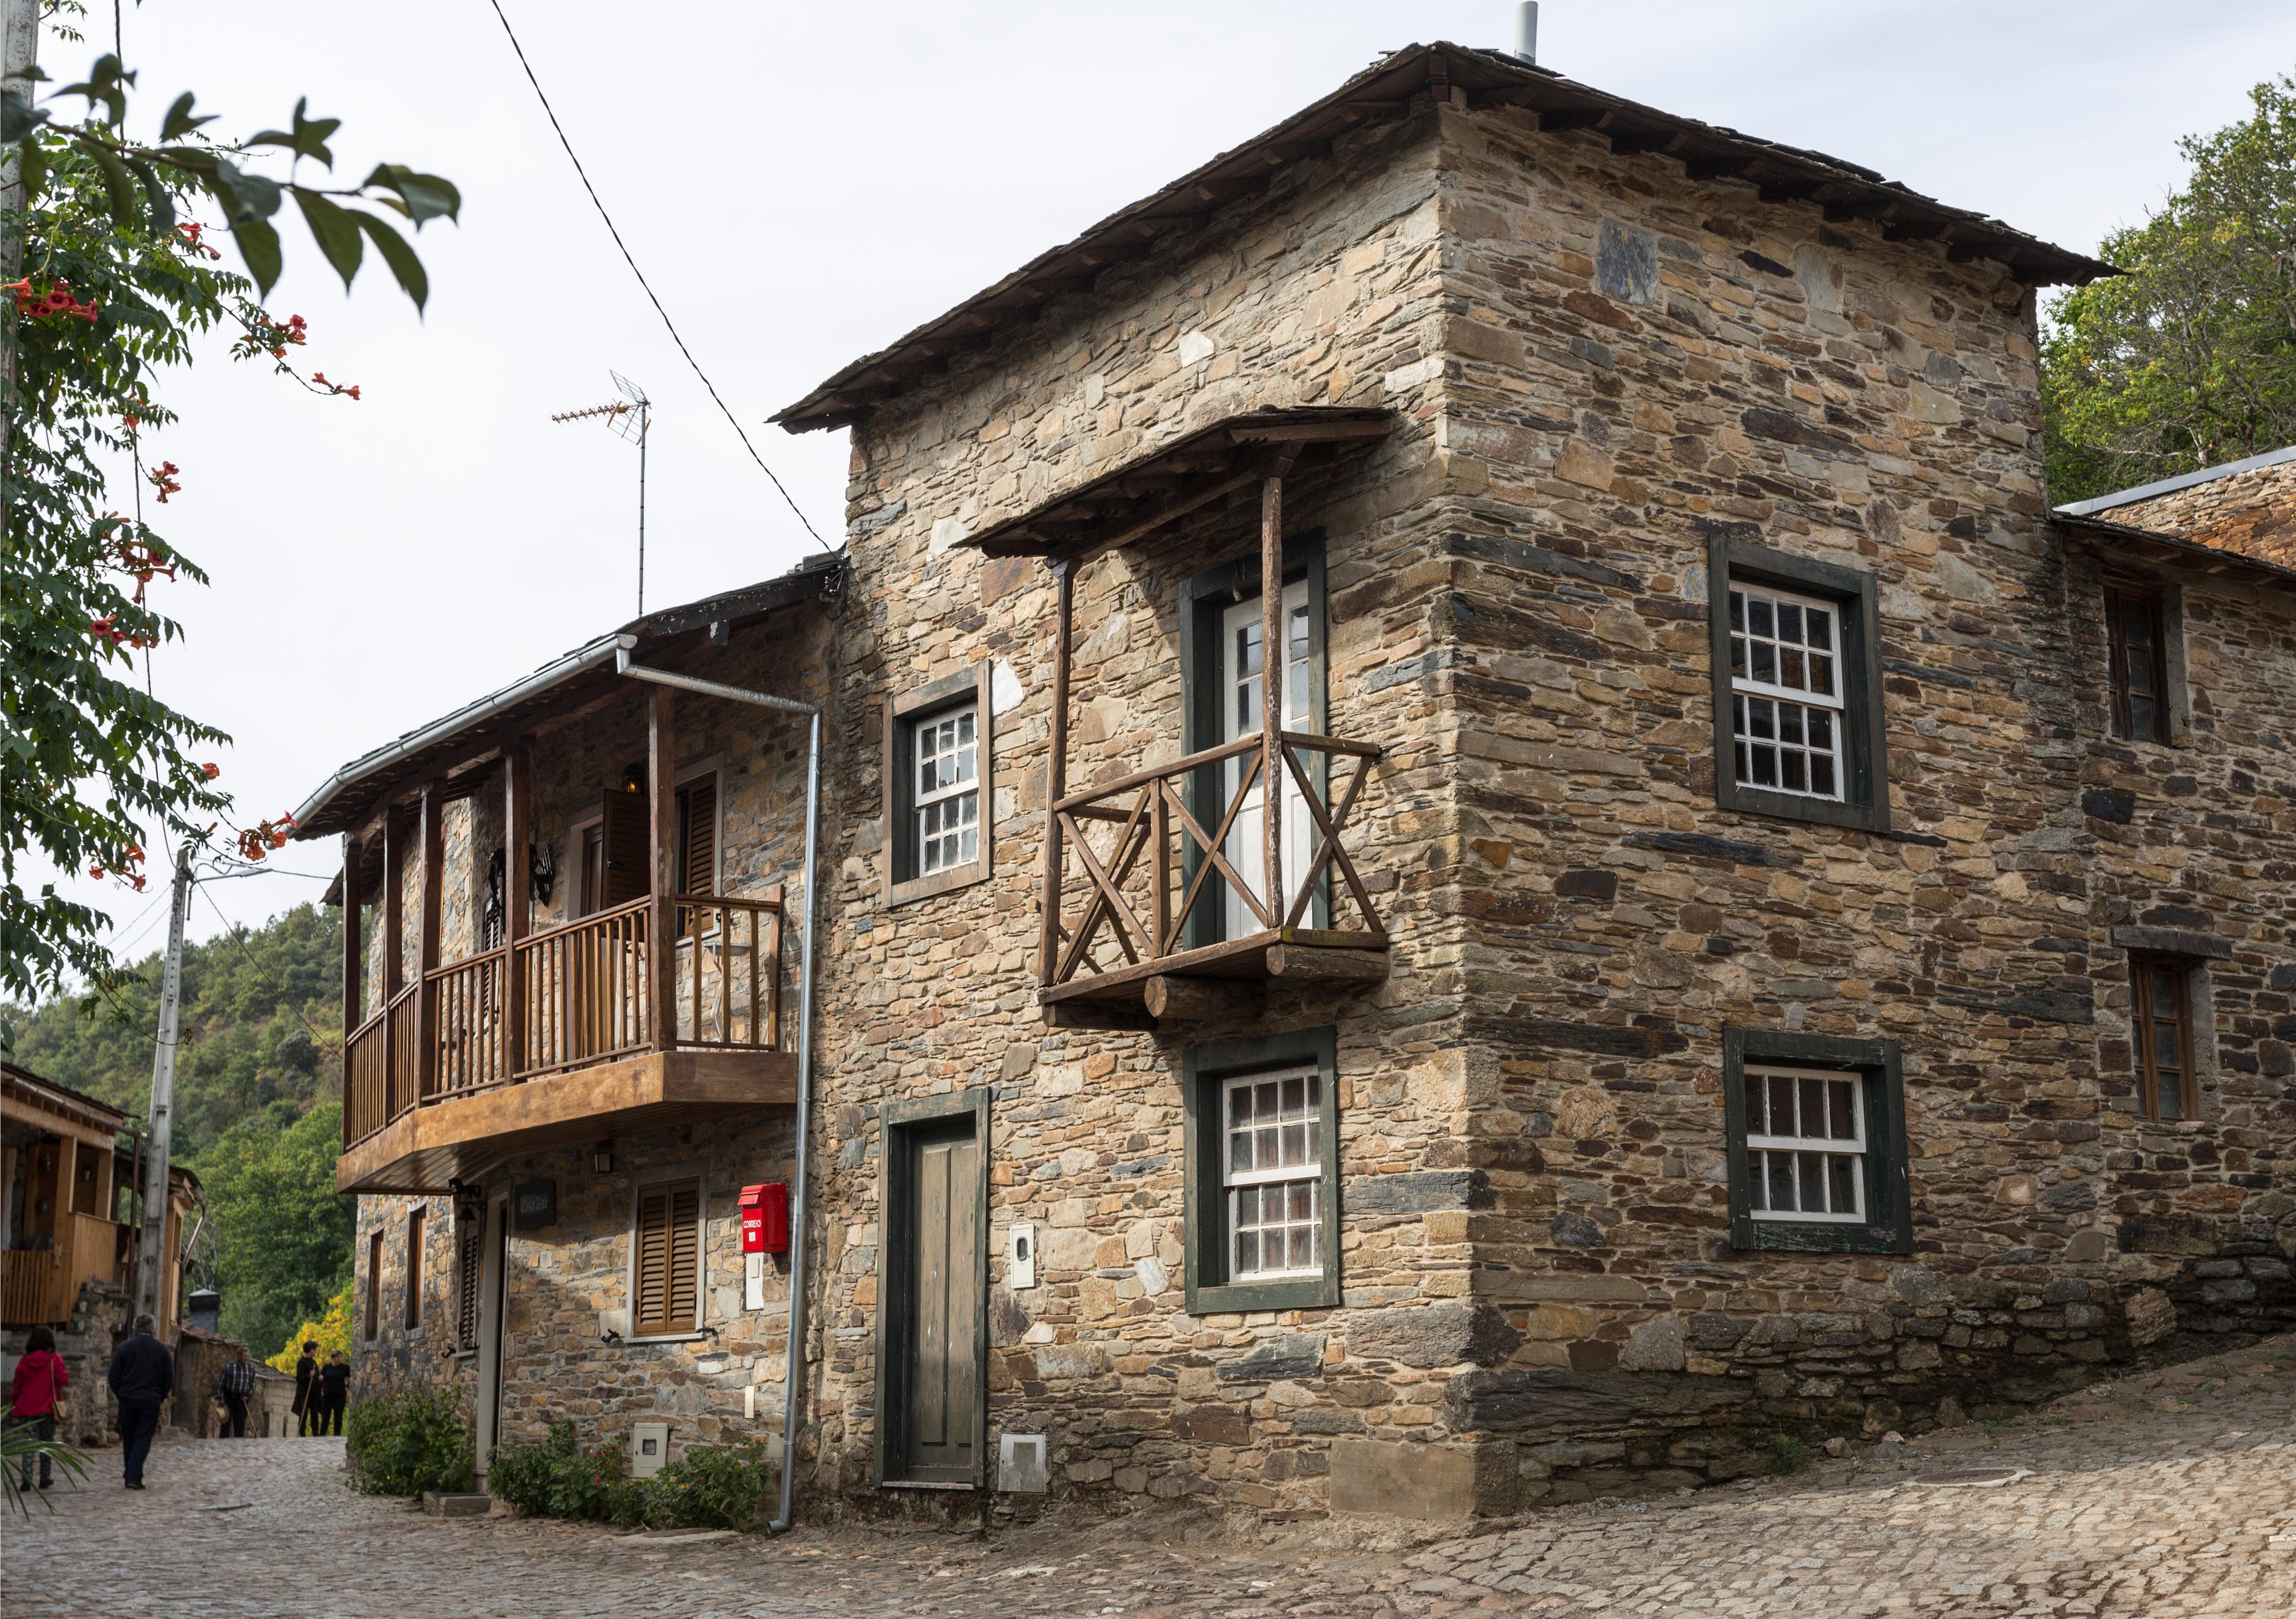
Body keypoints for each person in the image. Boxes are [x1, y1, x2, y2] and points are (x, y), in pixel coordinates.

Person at [106, 1314, 173, 1490]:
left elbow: (113, 1377)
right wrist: (161, 1395)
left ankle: (130, 1473)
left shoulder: (124, 1348)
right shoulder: (162, 1350)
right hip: (150, 1400)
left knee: (129, 1437)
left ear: (136, 1327)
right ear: (153, 1329)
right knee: (143, 1437)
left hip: (128, 1399)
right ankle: (134, 1476)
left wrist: (121, 1394)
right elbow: (169, 1378)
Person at [7, 1325, 69, 1492]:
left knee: (28, 1446)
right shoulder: (54, 1360)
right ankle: (44, 1477)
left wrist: (15, 1403)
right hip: (47, 1409)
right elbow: (63, 1379)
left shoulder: (25, 1361)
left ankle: (26, 1479)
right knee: (46, 1444)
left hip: (27, 1409)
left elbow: (17, 1385)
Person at [216, 1345, 256, 1439]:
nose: (247, 1359)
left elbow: (253, 1384)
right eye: (245, 1356)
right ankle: (223, 1444)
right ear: (238, 1356)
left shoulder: (251, 1368)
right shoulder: (229, 1367)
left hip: (242, 1400)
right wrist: (221, 1398)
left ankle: (238, 1446)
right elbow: (221, 1384)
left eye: (248, 1356)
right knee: (226, 1423)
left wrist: (248, 1396)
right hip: (229, 1398)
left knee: (240, 1424)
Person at [315, 1350, 349, 1437]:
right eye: (337, 1357)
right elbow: (321, 1378)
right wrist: (322, 1387)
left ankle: (337, 1435)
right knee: (326, 1416)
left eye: (341, 1357)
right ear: (333, 1358)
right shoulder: (327, 1367)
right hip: (328, 1395)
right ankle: (322, 1434)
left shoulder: (345, 1368)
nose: (340, 1359)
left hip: (340, 1395)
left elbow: (353, 1377)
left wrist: (347, 1386)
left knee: (338, 1416)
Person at [292, 1340, 319, 1435]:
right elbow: (299, 1378)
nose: (316, 1352)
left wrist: (318, 1378)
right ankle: (302, 1434)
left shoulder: (314, 1363)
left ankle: (316, 1435)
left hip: (314, 1392)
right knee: (304, 1414)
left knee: (315, 1414)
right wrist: (309, 1376)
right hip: (304, 1392)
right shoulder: (302, 1363)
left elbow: (317, 1376)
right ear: (311, 1350)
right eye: (315, 1350)